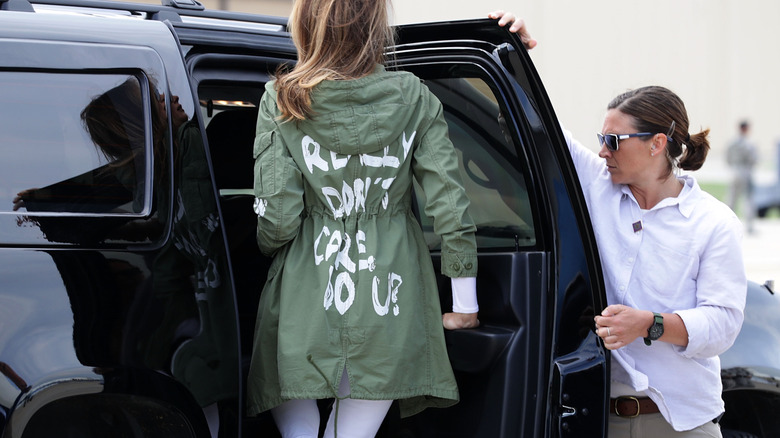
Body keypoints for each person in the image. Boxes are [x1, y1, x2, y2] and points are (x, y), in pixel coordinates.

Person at [490, 11, 746, 438]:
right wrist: (514, 56)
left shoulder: (714, 223)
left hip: (682, 423)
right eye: (601, 139)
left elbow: (722, 325)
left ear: (657, 144)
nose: (603, 151)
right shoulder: (597, 183)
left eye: (613, 141)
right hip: (600, 420)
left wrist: (648, 323)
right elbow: (539, 132)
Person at [246, 0, 480, 436]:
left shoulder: (282, 98)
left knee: (294, 415)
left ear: (306, 25)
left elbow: (278, 218)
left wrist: (267, 249)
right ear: (375, 27)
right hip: (389, 291)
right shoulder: (414, 97)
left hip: (306, 288)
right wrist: (465, 304)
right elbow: (449, 202)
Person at [726, 120, 758, 233]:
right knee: (748, 199)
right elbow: (754, 159)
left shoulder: (732, 143)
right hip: (745, 172)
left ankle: (728, 224)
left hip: (735, 172)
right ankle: (749, 227)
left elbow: (728, 158)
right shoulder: (749, 144)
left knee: (732, 198)